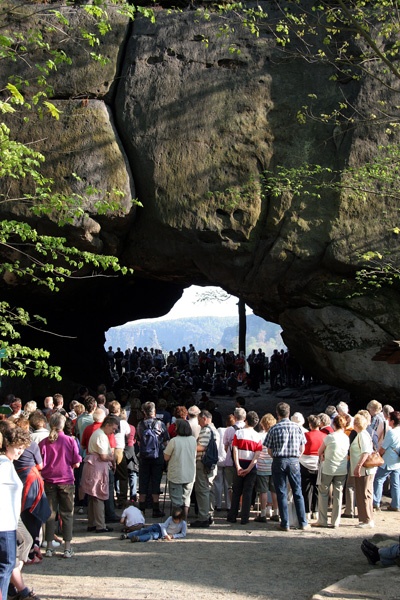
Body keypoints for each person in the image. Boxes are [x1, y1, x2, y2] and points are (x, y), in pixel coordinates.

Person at [39, 413, 81, 558]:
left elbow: (39, 464)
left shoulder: (44, 443)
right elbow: (76, 462)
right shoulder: (70, 441)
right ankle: (67, 547)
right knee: (67, 514)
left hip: (49, 480)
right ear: (63, 425)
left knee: (50, 514)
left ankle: (49, 546)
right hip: (66, 480)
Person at [264, 402, 309, 531]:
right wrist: (296, 457)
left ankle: (285, 523)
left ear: (277, 413)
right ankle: (303, 522)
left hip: (279, 460)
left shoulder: (274, 428)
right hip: (294, 460)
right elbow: (302, 447)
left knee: (281, 492)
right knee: (297, 491)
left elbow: (269, 449)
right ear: (289, 413)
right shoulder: (298, 428)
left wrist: (276, 458)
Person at [0, 423, 32, 600]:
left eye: (23, 448)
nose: (20, 451)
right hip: (4, 523)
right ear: (7, 444)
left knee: (7, 566)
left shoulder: (7, 464)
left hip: (9, 522)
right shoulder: (4, 465)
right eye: (17, 447)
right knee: (5, 567)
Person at [79, 416, 118, 533]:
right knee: (98, 495)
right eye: (113, 429)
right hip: (97, 467)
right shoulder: (101, 435)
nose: (114, 431)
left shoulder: (98, 434)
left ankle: (92, 523)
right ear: (107, 425)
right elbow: (103, 456)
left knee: (92, 496)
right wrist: (112, 459)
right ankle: (100, 525)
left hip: (93, 465)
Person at [227, 411, 262, 525]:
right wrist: (250, 468)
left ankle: (232, 516)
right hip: (251, 466)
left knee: (236, 491)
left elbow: (235, 450)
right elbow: (257, 455)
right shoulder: (258, 436)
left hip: (240, 463)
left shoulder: (239, 433)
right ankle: (245, 518)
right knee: (248, 492)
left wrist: (237, 466)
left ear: (246, 420)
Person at [315, 415, 349, 528]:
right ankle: (335, 521)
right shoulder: (346, 438)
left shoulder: (330, 437)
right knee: (338, 494)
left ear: (334, 424)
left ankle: (323, 520)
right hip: (342, 468)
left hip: (328, 468)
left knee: (323, 493)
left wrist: (324, 454)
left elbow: (319, 451)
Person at [136, 401, 169, 518]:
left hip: (144, 457)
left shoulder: (140, 425)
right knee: (156, 481)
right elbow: (166, 441)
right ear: (154, 411)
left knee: (143, 482)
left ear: (144, 412)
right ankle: (156, 509)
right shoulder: (160, 424)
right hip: (157, 456)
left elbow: (139, 441)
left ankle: (142, 509)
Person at [164, 419, 196, 520]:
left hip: (176, 474)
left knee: (176, 501)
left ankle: (176, 522)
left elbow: (166, 457)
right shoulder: (193, 440)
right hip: (190, 473)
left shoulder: (174, 441)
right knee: (186, 499)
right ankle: (184, 521)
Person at [190, 410, 218, 528]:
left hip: (202, 463)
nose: (199, 423)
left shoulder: (206, 430)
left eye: (200, 420)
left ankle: (203, 517)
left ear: (205, 419)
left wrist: (190, 447)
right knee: (208, 489)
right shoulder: (214, 429)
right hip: (210, 464)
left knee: (202, 490)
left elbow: (202, 446)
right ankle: (208, 515)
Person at [350, 413, 376, 528]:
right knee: (366, 494)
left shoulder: (361, 435)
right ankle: (367, 518)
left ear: (356, 424)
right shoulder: (363, 434)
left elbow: (365, 452)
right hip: (365, 470)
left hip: (364, 470)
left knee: (364, 494)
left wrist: (358, 466)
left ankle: (367, 520)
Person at [300, 415, 326, 520]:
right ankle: (315, 511)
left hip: (305, 463)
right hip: (318, 463)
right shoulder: (324, 436)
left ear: (310, 425)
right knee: (316, 487)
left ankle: (306, 511)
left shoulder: (305, 435)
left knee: (306, 488)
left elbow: (301, 448)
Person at [373, 410, 400, 511]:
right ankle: (396, 504)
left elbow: (383, 448)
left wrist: (378, 455)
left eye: (389, 419)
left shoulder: (391, 432)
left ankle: (376, 502)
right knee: (396, 483)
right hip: (397, 461)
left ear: (392, 421)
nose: (388, 420)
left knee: (379, 480)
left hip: (388, 461)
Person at [254, 413, 279, 522]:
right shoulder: (276, 435)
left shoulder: (259, 436)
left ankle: (263, 513)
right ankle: (276, 512)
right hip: (273, 465)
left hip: (261, 466)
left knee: (263, 491)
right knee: (274, 491)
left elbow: (257, 450)